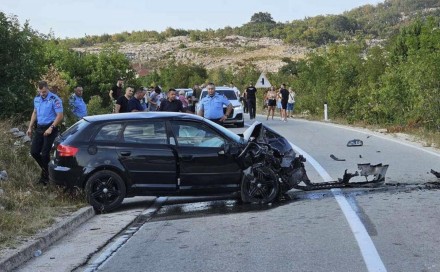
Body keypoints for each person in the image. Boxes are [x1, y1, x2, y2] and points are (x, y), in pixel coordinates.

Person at [26, 81, 64, 185]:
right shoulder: (37, 99)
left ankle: (46, 178)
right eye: (40, 92)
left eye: (44, 91)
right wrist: (30, 127)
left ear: (47, 88)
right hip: (40, 127)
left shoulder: (55, 99)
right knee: (34, 152)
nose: (42, 94)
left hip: (51, 127)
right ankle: (47, 171)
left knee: (44, 154)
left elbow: (60, 115)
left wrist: (51, 127)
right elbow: (35, 112)